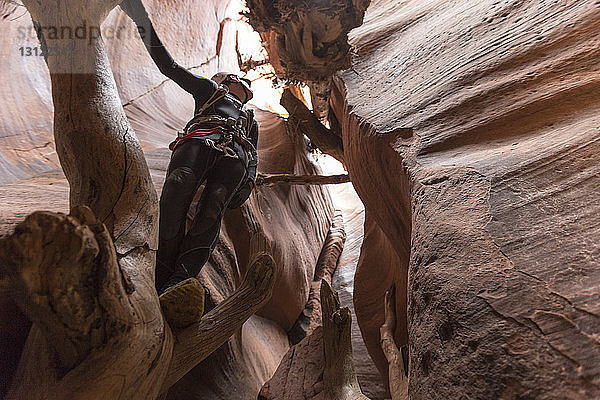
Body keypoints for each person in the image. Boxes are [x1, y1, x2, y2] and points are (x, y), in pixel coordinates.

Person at [120, 0, 259, 296]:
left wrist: (247, 181)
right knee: (176, 192)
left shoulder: (250, 118)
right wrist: (139, 17)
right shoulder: (209, 91)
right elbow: (168, 65)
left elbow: (254, 156)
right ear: (227, 80)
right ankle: (160, 274)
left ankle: (177, 282)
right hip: (200, 140)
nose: (244, 84)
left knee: (211, 211)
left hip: (234, 154)